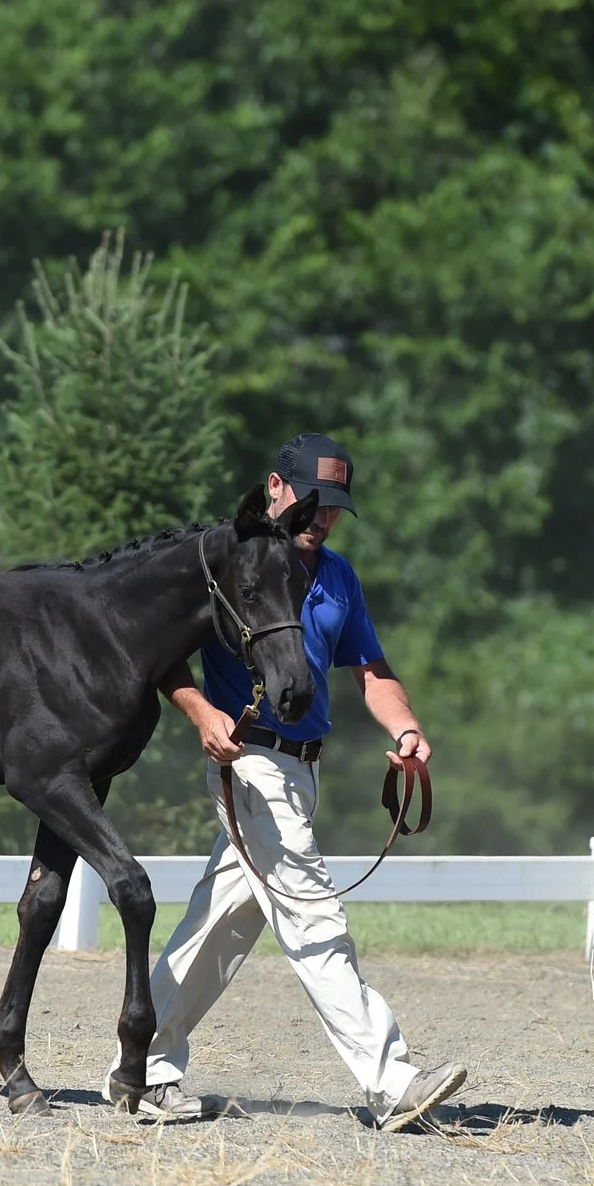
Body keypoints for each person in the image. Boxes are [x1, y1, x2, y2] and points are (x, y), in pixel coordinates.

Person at [133, 433, 466, 1130]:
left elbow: (372, 672)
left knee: (219, 925)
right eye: (310, 504)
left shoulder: (338, 576)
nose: (321, 518)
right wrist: (200, 712)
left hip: (303, 768)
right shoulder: (227, 566)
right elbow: (159, 655)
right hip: (249, 763)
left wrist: (404, 730)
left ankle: (141, 1070)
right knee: (314, 916)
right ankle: (392, 1081)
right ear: (274, 489)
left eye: (334, 508)